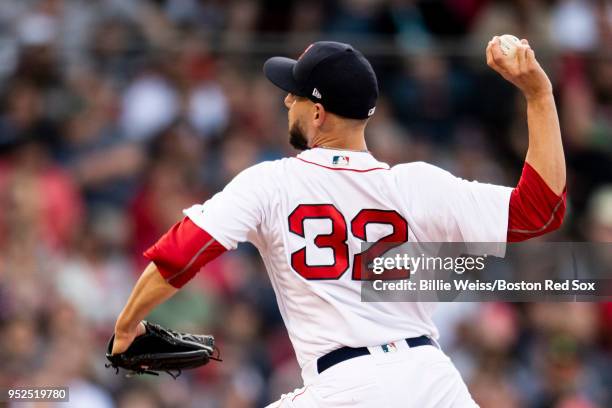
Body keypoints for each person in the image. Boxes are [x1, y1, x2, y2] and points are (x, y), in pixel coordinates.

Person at [111, 39, 566, 407]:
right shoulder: (418, 183)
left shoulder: (272, 182)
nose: (287, 99)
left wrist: (128, 327)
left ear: (317, 112)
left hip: (347, 385)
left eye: (294, 93)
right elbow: (540, 210)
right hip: (433, 383)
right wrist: (540, 96)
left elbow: (182, 251)